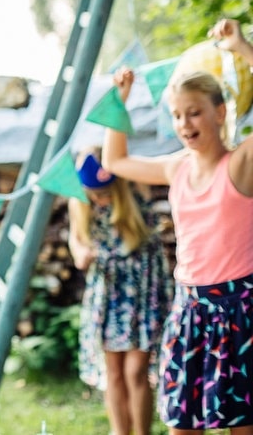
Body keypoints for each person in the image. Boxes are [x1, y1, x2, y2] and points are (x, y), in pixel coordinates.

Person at [102, 18, 253, 435]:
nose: (185, 124)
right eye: (177, 115)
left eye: (195, 113)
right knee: (181, 425)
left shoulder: (240, 165)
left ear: (219, 112)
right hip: (189, 310)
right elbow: (114, 162)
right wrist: (120, 101)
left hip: (239, 310)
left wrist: (241, 48)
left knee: (242, 425)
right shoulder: (176, 167)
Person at [68, 147, 173, 435]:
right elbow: (76, 242)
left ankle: (142, 432)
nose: (99, 199)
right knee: (113, 372)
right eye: (93, 194)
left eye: (105, 192)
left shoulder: (133, 186)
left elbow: (118, 148)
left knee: (135, 371)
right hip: (108, 293)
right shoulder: (79, 203)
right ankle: (120, 431)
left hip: (143, 291)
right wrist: (82, 255)